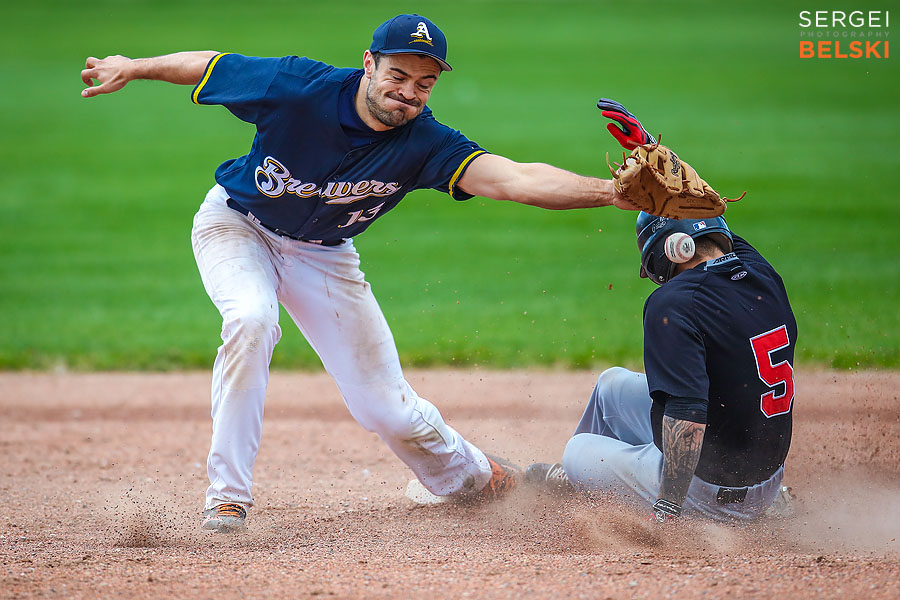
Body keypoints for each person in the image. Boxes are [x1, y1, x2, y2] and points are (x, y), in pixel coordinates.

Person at [80, 14, 638, 532]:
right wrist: (133, 67)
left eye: (424, 82)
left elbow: (513, 179)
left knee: (387, 409)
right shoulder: (298, 88)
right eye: (398, 74)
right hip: (238, 225)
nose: (409, 91)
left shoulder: (426, 142)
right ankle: (228, 495)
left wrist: (613, 193)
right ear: (368, 63)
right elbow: (210, 64)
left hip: (324, 252)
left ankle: (476, 478)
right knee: (251, 318)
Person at [525, 209, 798, 521]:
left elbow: (689, 418)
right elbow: (720, 230)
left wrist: (668, 509)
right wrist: (691, 192)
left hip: (710, 494)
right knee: (610, 385)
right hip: (763, 474)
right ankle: (592, 485)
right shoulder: (760, 272)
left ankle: (588, 482)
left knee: (577, 450)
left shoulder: (674, 303)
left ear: (675, 249)